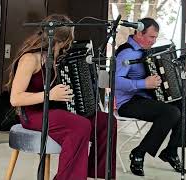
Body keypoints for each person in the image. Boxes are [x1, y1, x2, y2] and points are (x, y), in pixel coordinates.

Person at [7, 14, 116, 180]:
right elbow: (15, 98)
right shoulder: (30, 59)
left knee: (107, 122)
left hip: (56, 110)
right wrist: (49, 95)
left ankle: (97, 174)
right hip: (33, 114)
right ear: (65, 39)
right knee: (80, 125)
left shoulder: (62, 57)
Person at [115, 17, 186, 176]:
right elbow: (115, 82)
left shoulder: (148, 52)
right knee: (171, 112)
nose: (154, 41)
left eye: (156, 37)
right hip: (128, 103)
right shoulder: (126, 52)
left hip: (147, 100)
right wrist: (143, 84)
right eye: (151, 37)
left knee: (185, 103)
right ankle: (139, 153)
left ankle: (171, 151)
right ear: (139, 33)